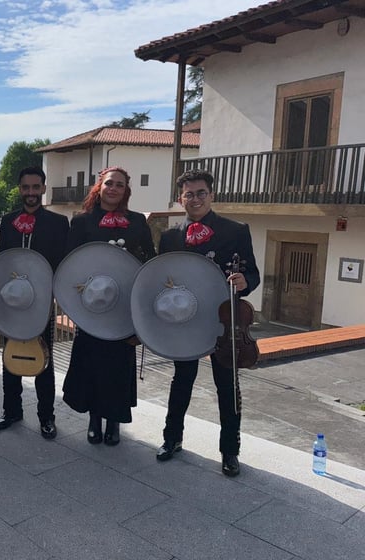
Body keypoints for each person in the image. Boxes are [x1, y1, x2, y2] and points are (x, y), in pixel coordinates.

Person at [155, 169, 260, 477]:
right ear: (180, 199)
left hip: (223, 321)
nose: (196, 199)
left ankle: (230, 451)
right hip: (184, 320)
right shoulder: (170, 236)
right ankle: (171, 439)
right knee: (181, 381)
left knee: (227, 387)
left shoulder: (236, 230)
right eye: (189, 194)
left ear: (211, 195)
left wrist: (245, 281)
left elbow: (252, 273)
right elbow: (162, 279)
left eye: (201, 193)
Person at [62, 167, 155, 446]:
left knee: (118, 365)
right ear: (99, 187)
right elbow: (70, 265)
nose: (114, 188)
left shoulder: (138, 221)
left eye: (120, 185)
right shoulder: (82, 222)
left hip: (124, 306)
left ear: (126, 190)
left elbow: (150, 260)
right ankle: (94, 419)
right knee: (91, 362)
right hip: (91, 306)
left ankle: (114, 420)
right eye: (109, 183)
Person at [0, 167, 69, 439]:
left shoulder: (59, 223)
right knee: (9, 358)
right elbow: (1, 260)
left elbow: (62, 264)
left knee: (44, 361)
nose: (31, 193)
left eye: (36, 187)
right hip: (12, 303)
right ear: (19, 189)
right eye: (26, 187)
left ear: (44, 189)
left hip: (41, 304)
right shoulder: (8, 220)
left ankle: (46, 417)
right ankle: (11, 411)